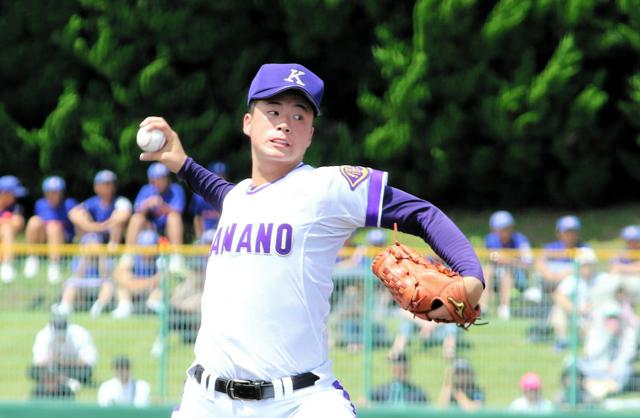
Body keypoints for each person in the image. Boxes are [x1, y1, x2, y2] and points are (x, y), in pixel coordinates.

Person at [137, 62, 484, 417]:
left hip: (299, 401)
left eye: (299, 116)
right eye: (273, 112)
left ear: (311, 136)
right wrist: (181, 163)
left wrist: (472, 273)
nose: (285, 123)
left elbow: (421, 213)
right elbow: (221, 192)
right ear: (247, 123)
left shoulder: (325, 187)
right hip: (207, 400)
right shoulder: (238, 198)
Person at [126, 162, 185, 273]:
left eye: (161, 178)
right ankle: (129, 255)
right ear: (150, 180)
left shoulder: (176, 189)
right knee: (136, 218)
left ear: (167, 179)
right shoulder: (146, 189)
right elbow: (137, 210)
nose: (158, 182)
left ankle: (177, 256)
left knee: (174, 218)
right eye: (155, 179)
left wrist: (162, 206)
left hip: (167, 231)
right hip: (149, 229)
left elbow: (178, 211)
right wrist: (147, 204)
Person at [24, 176, 78, 283]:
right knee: (33, 221)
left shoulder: (70, 204)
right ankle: (32, 258)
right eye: (50, 192)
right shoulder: (40, 204)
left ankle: (54, 265)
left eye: (56, 192)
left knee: (54, 226)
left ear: (61, 193)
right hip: (45, 238)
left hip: (64, 238)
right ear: (45, 193)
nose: (53, 195)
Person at [579, 303, 638, 400]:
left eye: (615, 318)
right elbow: (590, 353)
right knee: (573, 363)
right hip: (597, 367)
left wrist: (614, 365)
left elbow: (628, 354)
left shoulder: (628, 332)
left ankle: (602, 387)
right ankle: (602, 386)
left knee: (626, 370)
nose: (612, 321)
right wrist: (608, 336)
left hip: (615, 370)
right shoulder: (596, 331)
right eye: (609, 318)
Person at [549, 247, 602, 352]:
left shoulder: (602, 279)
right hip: (577, 319)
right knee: (558, 309)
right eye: (584, 265)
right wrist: (575, 309)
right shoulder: (572, 279)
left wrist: (591, 306)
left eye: (589, 265)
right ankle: (562, 341)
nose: (587, 268)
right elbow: (558, 294)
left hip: (596, 320)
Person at [483, 210, 532, 319]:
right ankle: (483, 307)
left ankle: (504, 308)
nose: (504, 231)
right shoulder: (490, 239)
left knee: (507, 273)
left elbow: (528, 264)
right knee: (486, 270)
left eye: (506, 228)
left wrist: (508, 260)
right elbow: (489, 257)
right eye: (500, 229)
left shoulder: (521, 240)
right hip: (495, 274)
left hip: (518, 276)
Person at [51, 232, 114, 317]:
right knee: (71, 283)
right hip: (83, 286)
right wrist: (85, 256)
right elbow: (77, 275)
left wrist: (100, 255)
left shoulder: (105, 258)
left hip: (98, 285)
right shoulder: (79, 258)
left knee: (108, 285)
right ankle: (64, 307)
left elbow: (105, 274)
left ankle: (98, 308)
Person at [29, 313, 97, 389]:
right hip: (51, 368)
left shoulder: (80, 333)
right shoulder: (43, 335)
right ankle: (67, 381)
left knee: (86, 372)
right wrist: (50, 359)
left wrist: (61, 360)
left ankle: (56, 380)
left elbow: (89, 361)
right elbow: (38, 363)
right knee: (33, 371)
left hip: (72, 368)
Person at [69, 169, 132, 246]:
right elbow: (73, 213)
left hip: (115, 239)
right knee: (82, 215)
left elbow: (123, 216)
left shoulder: (120, 201)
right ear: (96, 187)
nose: (107, 187)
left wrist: (102, 226)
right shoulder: (91, 202)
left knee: (117, 225)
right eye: (103, 184)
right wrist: (90, 226)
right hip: (95, 237)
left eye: (109, 184)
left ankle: (112, 254)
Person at [112, 229, 163, 319]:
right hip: (133, 289)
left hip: (149, 290)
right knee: (121, 287)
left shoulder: (160, 259)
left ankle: (151, 307)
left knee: (160, 288)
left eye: (149, 247)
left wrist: (138, 283)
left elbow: (161, 279)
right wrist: (137, 284)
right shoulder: (130, 256)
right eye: (144, 246)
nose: (146, 250)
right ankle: (125, 307)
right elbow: (119, 275)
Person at [536, 215, 589, 292]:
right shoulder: (551, 247)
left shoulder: (584, 248)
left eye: (573, 232)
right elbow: (539, 262)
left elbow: (586, 269)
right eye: (567, 232)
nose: (570, 235)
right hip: (551, 283)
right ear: (559, 233)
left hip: (573, 286)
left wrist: (564, 275)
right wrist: (548, 274)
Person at [189, 161, 226, 242]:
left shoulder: (228, 195)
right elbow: (197, 218)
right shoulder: (199, 195)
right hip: (204, 235)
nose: (219, 178)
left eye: (221, 175)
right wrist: (199, 237)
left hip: (221, 235)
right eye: (216, 175)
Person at [0, 175, 27, 283]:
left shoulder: (16, 208)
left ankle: (7, 265)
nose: (15, 197)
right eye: (13, 194)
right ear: (4, 193)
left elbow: (18, 223)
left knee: (7, 229)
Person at [609, 225, 640, 302]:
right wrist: (634, 267)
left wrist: (622, 268)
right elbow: (613, 269)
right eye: (629, 240)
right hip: (624, 284)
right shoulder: (621, 253)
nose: (632, 243)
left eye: (634, 240)